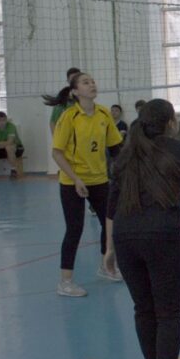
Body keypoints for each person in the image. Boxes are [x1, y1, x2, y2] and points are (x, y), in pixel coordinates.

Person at [103, 99, 180, 359]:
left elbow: (111, 207)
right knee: (169, 313)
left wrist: (109, 248)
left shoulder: (125, 154)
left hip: (125, 237)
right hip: (162, 236)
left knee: (144, 310)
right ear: (171, 123)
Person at [44, 72, 124, 297]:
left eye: (93, 81)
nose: (92, 84)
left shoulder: (104, 113)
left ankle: (106, 266)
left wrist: (126, 171)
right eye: (86, 82)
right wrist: (76, 179)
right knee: (75, 229)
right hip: (72, 181)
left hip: (99, 179)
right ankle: (65, 281)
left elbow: (116, 148)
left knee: (110, 224)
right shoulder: (69, 117)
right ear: (75, 91)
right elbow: (57, 153)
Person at [0, 111, 25, 180]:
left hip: (17, 148)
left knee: (9, 147)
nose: (1, 123)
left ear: (6, 120)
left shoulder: (11, 126)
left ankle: (13, 170)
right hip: (2, 148)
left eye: (3, 120)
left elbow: (10, 142)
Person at [49, 67, 82, 135]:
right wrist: (56, 139)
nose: (75, 81)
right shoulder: (63, 100)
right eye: (73, 79)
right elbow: (53, 122)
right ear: (68, 81)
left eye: (77, 78)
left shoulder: (86, 97)